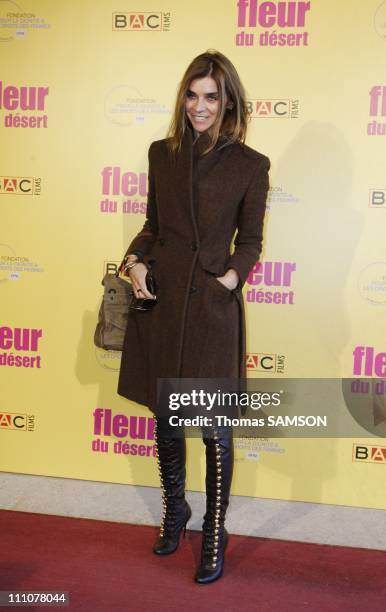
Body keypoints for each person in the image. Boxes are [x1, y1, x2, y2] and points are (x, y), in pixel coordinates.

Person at [117, 49, 270, 584]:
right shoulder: (162, 153)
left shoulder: (252, 165)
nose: (199, 107)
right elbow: (152, 225)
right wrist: (133, 263)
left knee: (214, 429)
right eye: (192, 95)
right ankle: (175, 509)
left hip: (210, 307)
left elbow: (249, 241)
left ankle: (214, 530)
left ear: (228, 103)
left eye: (211, 97)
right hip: (161, 304)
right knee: (166, 417)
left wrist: (229, 279)